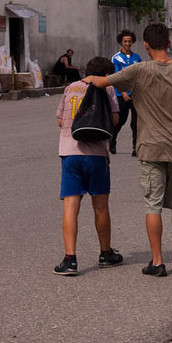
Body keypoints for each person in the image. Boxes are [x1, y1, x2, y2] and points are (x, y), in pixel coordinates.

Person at [84, 23, 172, 277]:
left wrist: (87, 80)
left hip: (150, 148)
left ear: (147, 46)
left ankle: (157, 261)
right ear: (170, 43)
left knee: (153, 204)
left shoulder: (138, 70)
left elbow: (103, 82)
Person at [53, 57, 122, 276]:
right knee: (100, 206)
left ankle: (70, 259)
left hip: (70, 153)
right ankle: (105, 253)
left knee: (70, 206)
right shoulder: (107, 88)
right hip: (96, 154)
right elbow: (114, 120)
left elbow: (60, 121)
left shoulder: (71, 88)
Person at [110, 30, 142, 156]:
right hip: (121, 95)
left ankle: (135, 147)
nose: (127, 43)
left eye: (129, 41)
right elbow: (117, 76)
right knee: (121, 120)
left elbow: (139, 75)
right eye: (125, 41)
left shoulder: (137, 58)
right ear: (121, 42)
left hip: (135, 94)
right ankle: (112, 140)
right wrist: (123, 92)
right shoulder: (116, 58)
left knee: (135, 122)